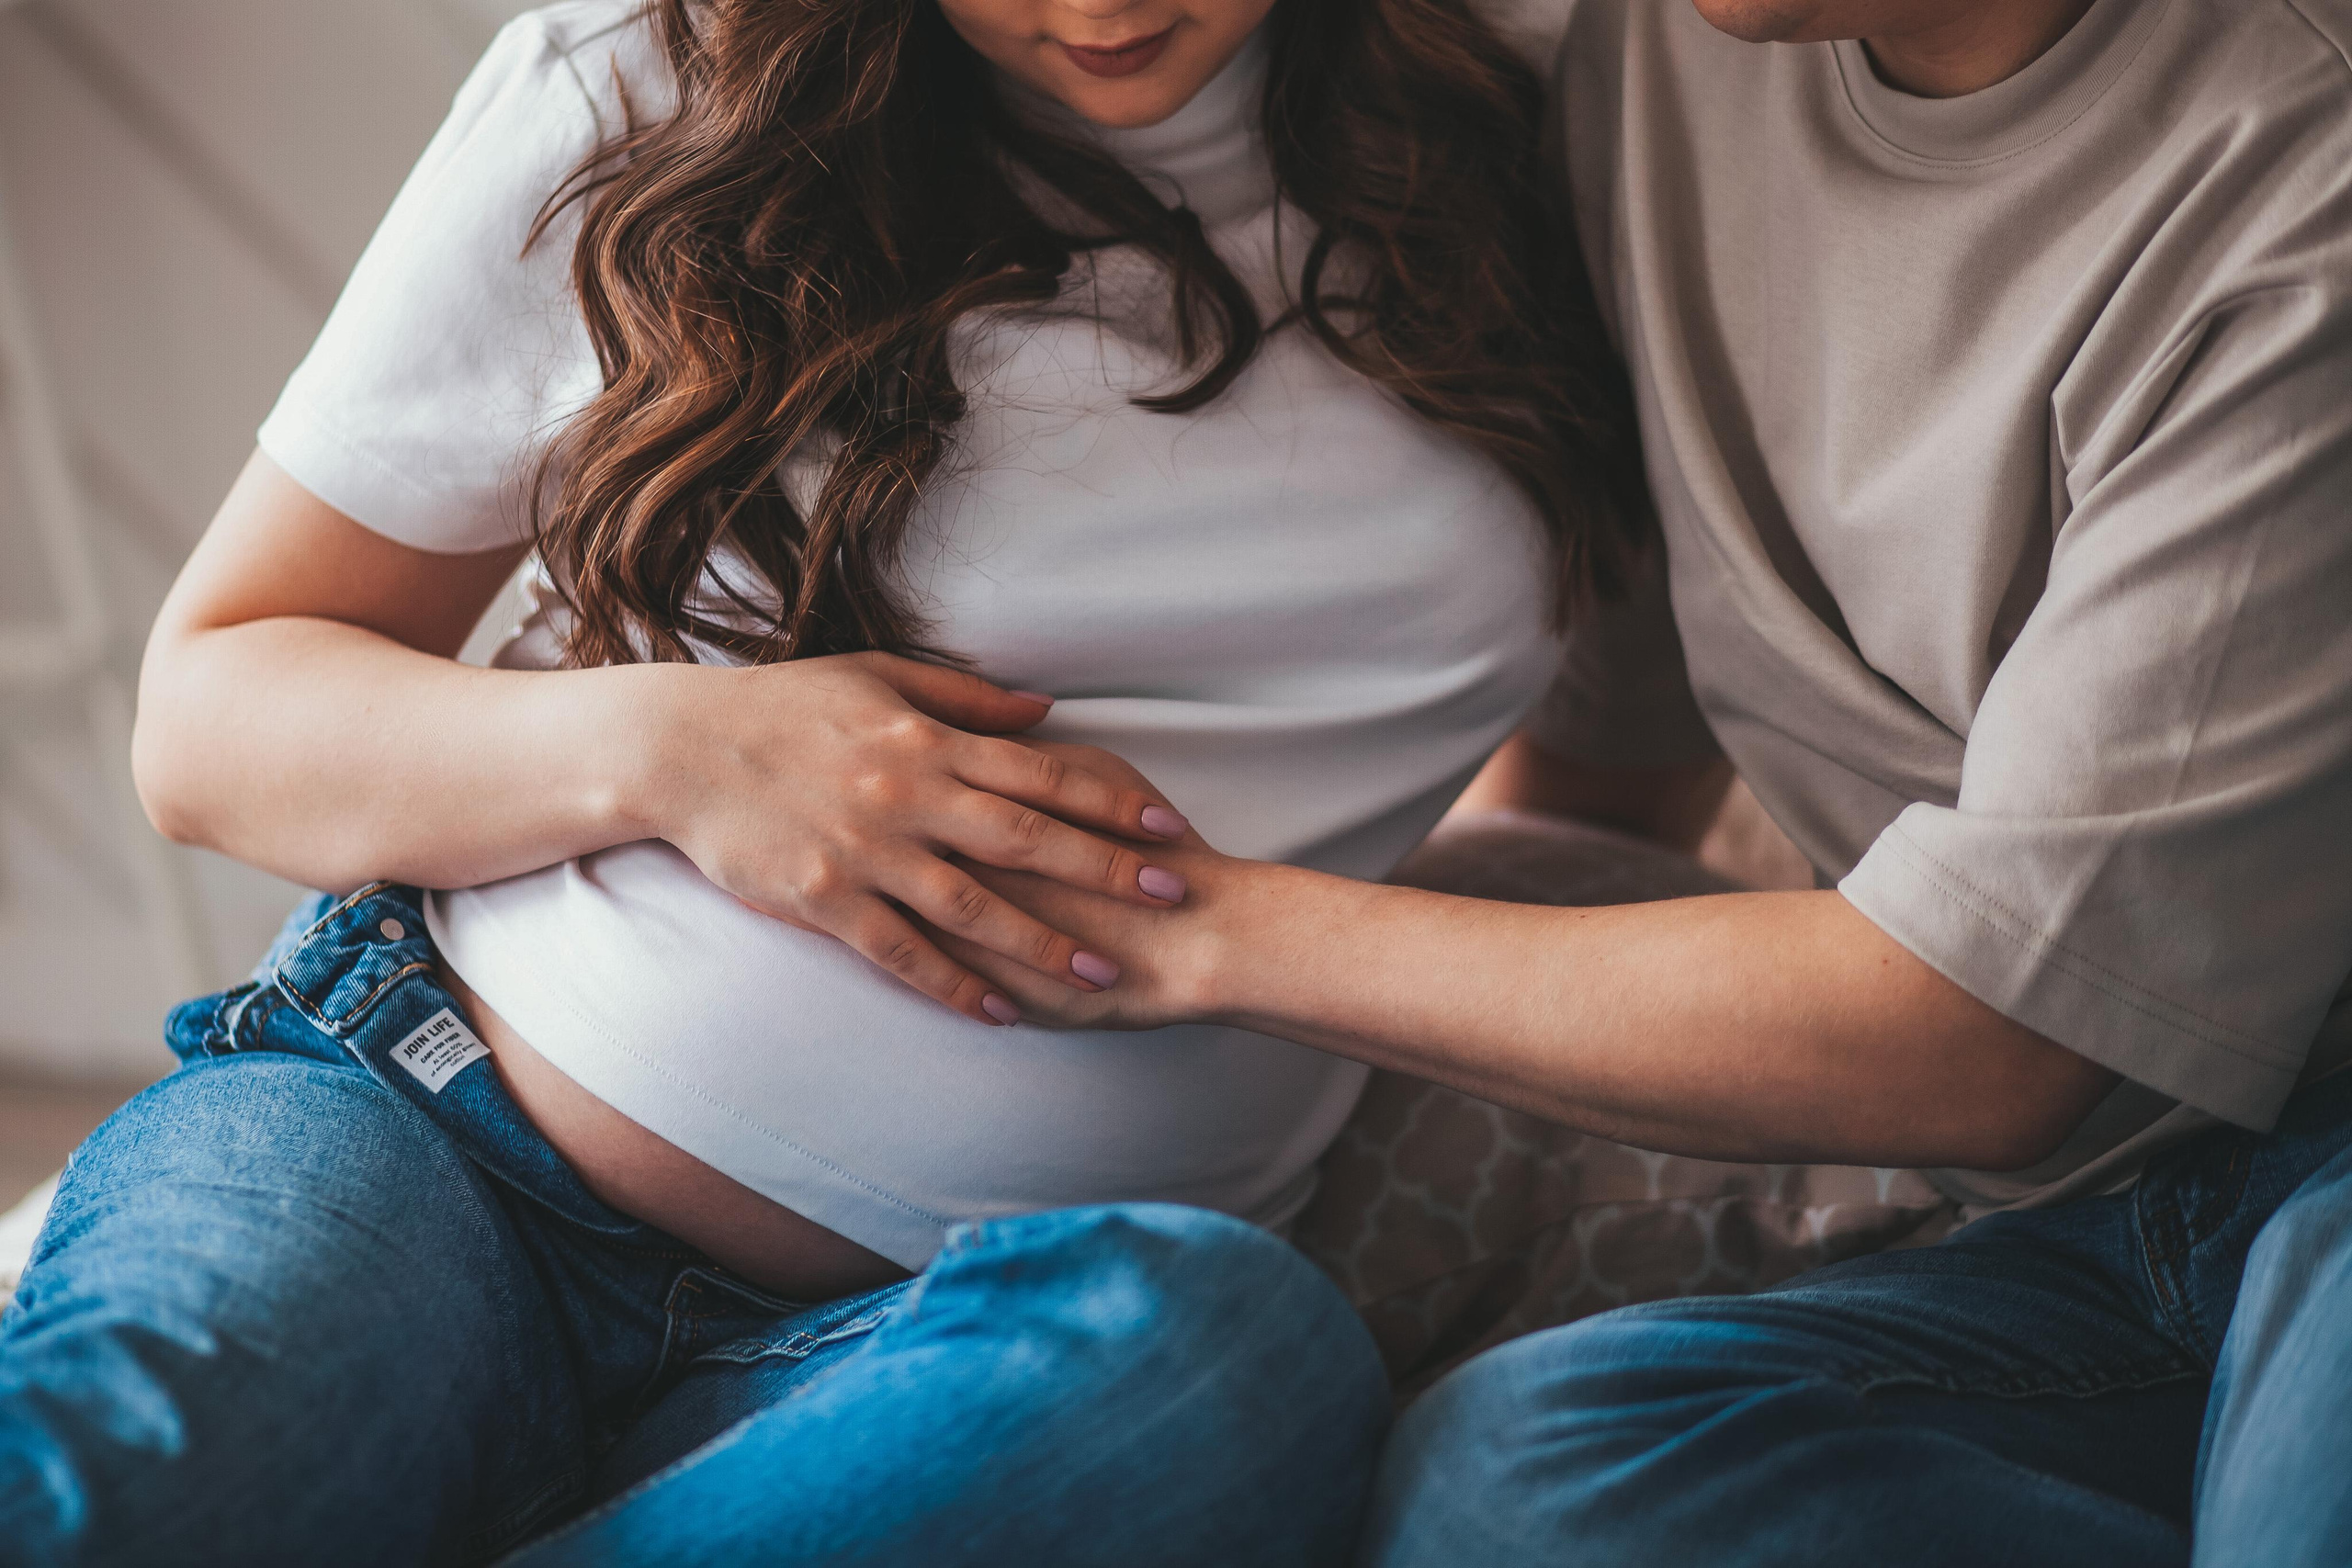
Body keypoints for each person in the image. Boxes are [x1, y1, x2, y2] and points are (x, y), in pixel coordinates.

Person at [0, 0, 1646, 1562]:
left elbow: (1612, 722)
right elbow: (210, 711)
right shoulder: (642, 89)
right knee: (160, 1468)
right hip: (441, 1141)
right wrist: (680, 750)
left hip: (947, 1334)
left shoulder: (1558, 122)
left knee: (1233, 1363)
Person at [946, 0, 2352, 1562]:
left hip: (2294, 1147)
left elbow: (1993, 1042)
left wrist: (1183, 927)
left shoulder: (2298, 173)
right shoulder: (1641, 42)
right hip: (2095, 1234)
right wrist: (639, 741)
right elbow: (1638, 668)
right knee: (1525, 1486)